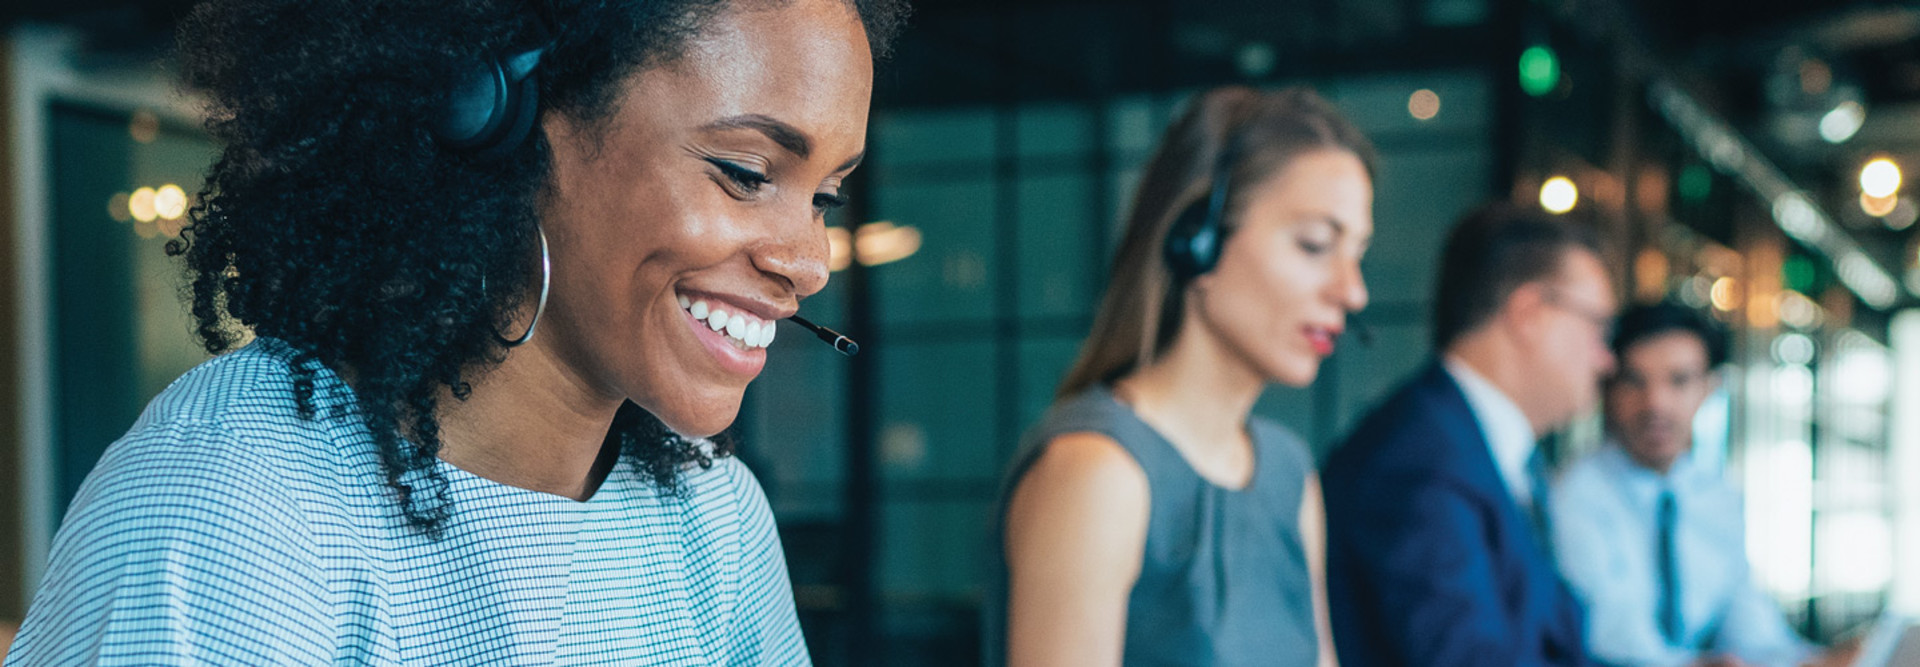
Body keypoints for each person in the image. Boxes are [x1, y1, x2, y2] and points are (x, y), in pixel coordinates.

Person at [6, 0, 904, 663]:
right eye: (745, 172)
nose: (808, 257)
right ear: (501, 120)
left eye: (824, 195)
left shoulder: (715, 519)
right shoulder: (237, 519)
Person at [988, 86, 1375, 667]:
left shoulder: (1289, 474)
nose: (1353, 290)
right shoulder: (1097, 472)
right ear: (1196, 241)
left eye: (1358, 253)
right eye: (1316, 244)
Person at [1321, 203, 1617, 667]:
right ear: (1529, 313)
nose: (1606, 359)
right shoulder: (1417, 459)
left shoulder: (1493, 450)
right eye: (1598, 325)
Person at [1551, 303, 1858, 667]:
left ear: (1709, 389)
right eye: (1635, 381)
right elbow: (1612, 641)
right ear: (1609, 389)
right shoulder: (1572, 495)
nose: (1656, 403)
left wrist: (1821, 660)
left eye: (1678, 381)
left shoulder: (1717, 495)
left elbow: (1750, 627)